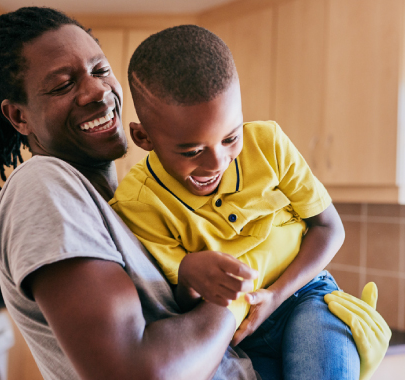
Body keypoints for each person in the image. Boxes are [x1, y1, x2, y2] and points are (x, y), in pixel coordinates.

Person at [0, 6, 391, 380]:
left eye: (100, 69)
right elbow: (137, 373)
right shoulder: (43, 187)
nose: (94, 90)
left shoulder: (121, 196)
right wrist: (251, 277)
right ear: (18, 117)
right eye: (62, 84)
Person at [109, 25, 364, 380]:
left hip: (304, 297)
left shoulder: (268, 143)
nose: (216, 162)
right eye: (192, 151)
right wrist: (188, 273)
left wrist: (274, 296)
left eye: (231, 137)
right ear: (143, 137)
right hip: (236, 335)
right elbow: (180, 305)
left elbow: (328, 227)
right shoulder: (138, 202)